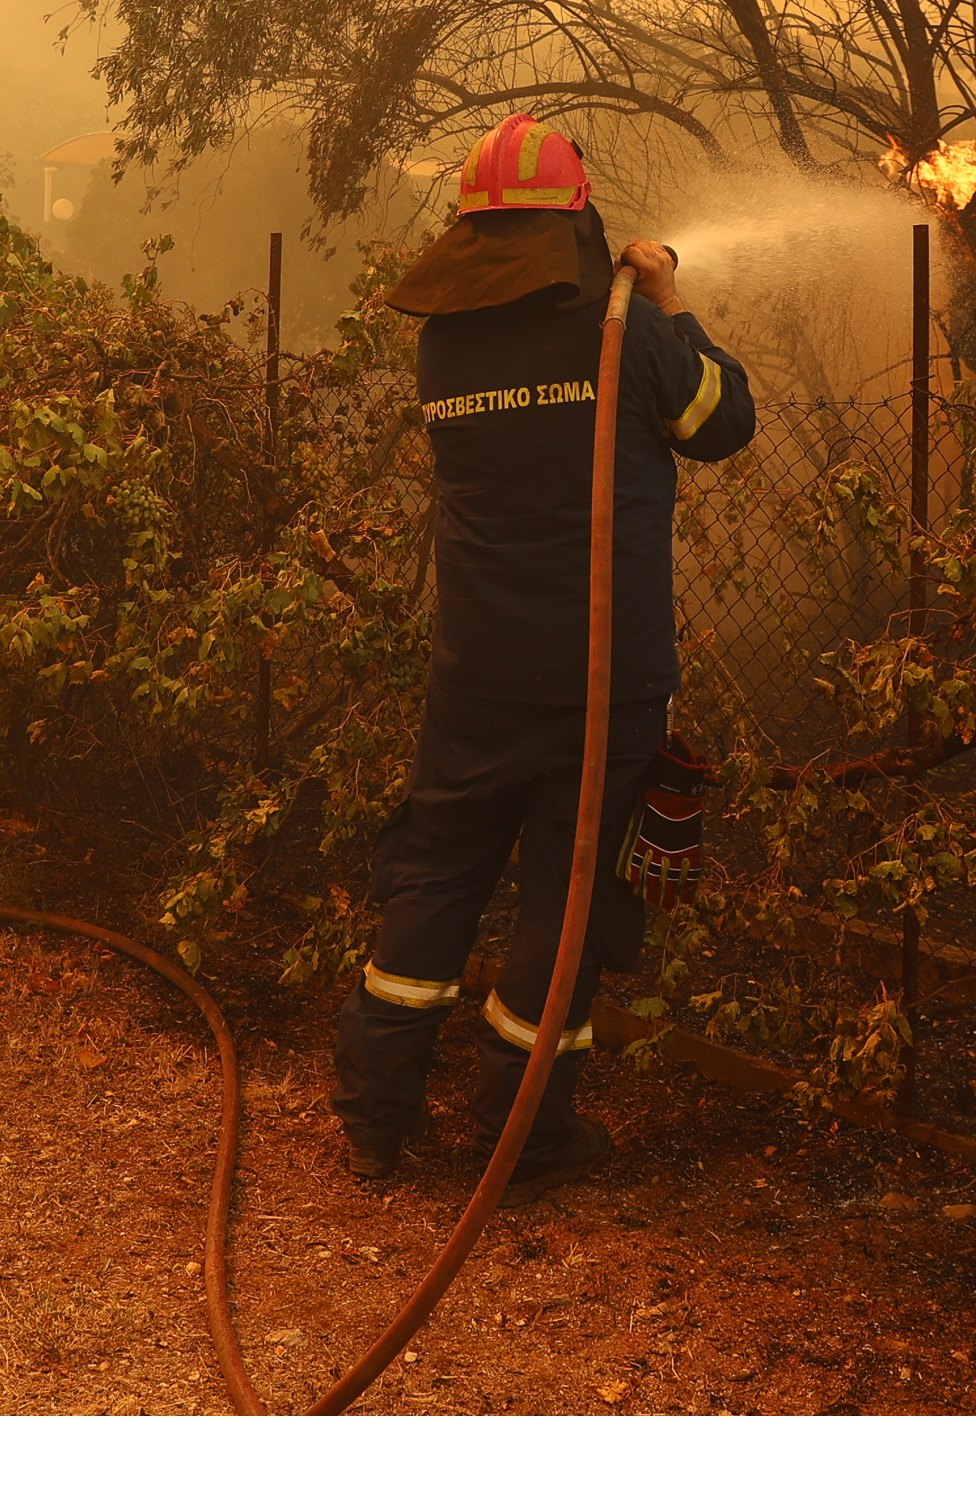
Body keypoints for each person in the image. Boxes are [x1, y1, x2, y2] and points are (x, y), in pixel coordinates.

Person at [329, 111, 757, 1205]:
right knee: (565, 908)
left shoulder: (444, 343)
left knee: (434, 878)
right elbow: (722, 422)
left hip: (474, 674)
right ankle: (521, 1134)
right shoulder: (625, 332)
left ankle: (375, 1125)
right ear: (578, 220)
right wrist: (671, 304)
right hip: (601, 681)